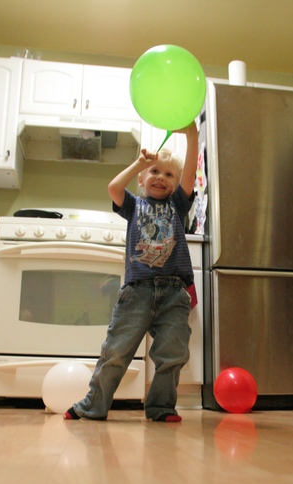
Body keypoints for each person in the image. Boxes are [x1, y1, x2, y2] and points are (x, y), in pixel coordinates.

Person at [63, 122, 198, 422]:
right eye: (154, 171)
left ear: (176, 184)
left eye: (169, 175)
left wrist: (192, 135)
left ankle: (161, 407)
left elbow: (189, 173)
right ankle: (92, 406)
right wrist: (140, 162)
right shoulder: (133, 205)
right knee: (116, 351)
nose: (160, 177)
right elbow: (113, 188)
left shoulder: (177, 205)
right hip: (137, 291)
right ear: (141, 178)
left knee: (173, 354)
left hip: (174, 293)